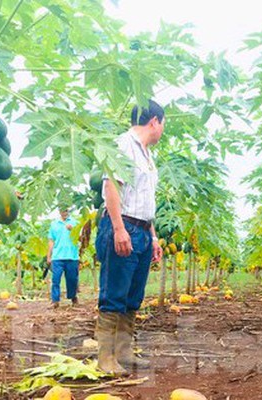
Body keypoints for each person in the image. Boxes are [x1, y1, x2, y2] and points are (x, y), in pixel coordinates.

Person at [94, 100, 165, 376]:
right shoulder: (123, 145)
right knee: (114, 294)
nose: (162, 130)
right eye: (163, 125)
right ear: (155, 121)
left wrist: (154, 237)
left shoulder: (147, 155)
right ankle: (105, 358)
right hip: (123, 227)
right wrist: (119, 228)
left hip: (143, 230)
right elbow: (111, 185)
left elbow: (147, 200)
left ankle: (123, 352)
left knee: (133, 296)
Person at [47, 206, 80, 308]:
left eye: (66, 210)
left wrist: (73, 230)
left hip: (72, 256)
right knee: (55, 279)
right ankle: (55, 301)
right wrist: (49, 256)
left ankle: (73, 297)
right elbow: (51, 240)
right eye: (62, 210)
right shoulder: (54, 224)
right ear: (59, 211)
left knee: (72, 279)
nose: (64, 212)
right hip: (57, 257)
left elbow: (82, 237)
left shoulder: (75, 222)